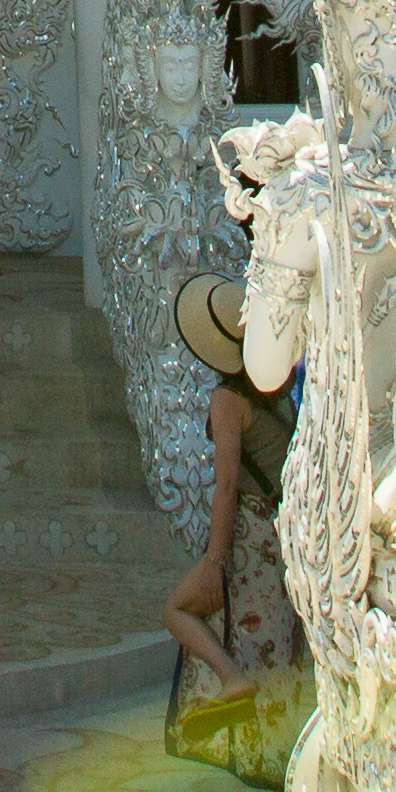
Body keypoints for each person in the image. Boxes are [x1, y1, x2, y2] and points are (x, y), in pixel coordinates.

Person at [159, 273, 299, 688]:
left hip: (248, 533)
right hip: (282, 531)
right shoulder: (278, 389)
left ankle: (232, 679)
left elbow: (227, 484)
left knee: (178, 610)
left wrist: (214, 561)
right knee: (272, 636)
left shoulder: (227, 400)